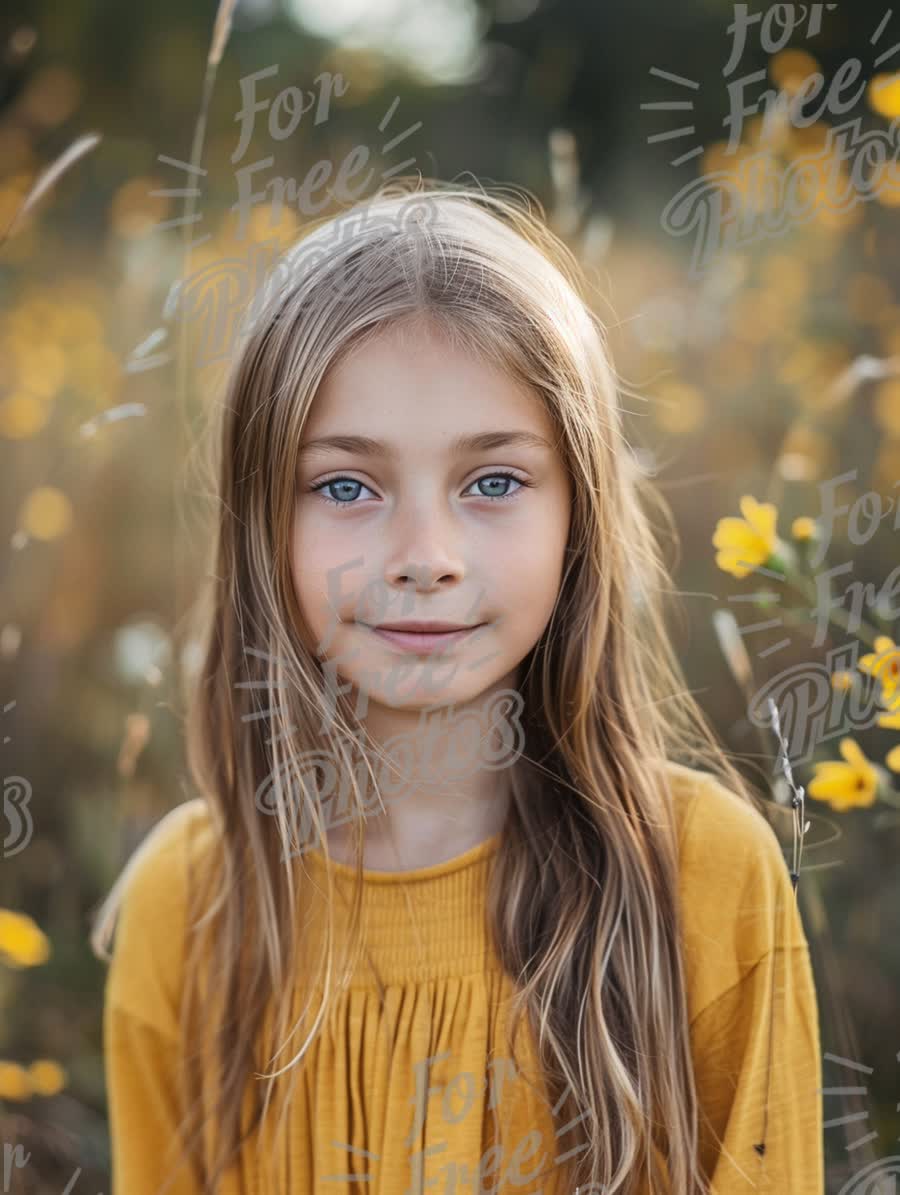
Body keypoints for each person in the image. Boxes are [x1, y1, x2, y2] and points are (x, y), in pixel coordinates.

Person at [91, 178, 824, 1195]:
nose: (425, 556)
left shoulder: (705, 880)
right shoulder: (192, 904)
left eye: (494, 481)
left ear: (580, 513)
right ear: (264, 524)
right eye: (347, 485)